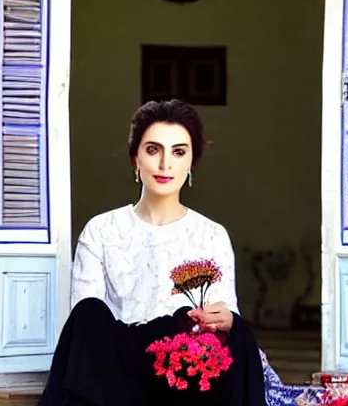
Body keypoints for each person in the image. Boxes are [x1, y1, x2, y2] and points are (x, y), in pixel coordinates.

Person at [39, 99, 316, 406]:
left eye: (179, 151)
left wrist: (221, 320)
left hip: (183, 373)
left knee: (237, 335)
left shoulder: (211, 234)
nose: (165, 164)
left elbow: (222, 320)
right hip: (114, 371)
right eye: (153, 149)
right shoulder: (101, 230)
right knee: (88, 314)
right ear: (135, 159)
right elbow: (86, 328)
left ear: (192, 162)